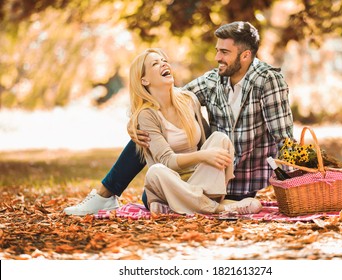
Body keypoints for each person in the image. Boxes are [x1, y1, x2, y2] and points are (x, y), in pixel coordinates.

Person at [64, 21, 293, 216]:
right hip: (194, 176)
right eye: (217, 50)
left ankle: (147, 199)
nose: (217, 57)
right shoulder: (213, 80)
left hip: (231, 179)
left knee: (210, 140)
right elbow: (165, 97)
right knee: (145, 134)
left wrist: (296, 180)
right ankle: (219, 208)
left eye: (224, 52)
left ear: (245, 56)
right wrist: (134, 123)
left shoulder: (267, 81)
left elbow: (284, 138)